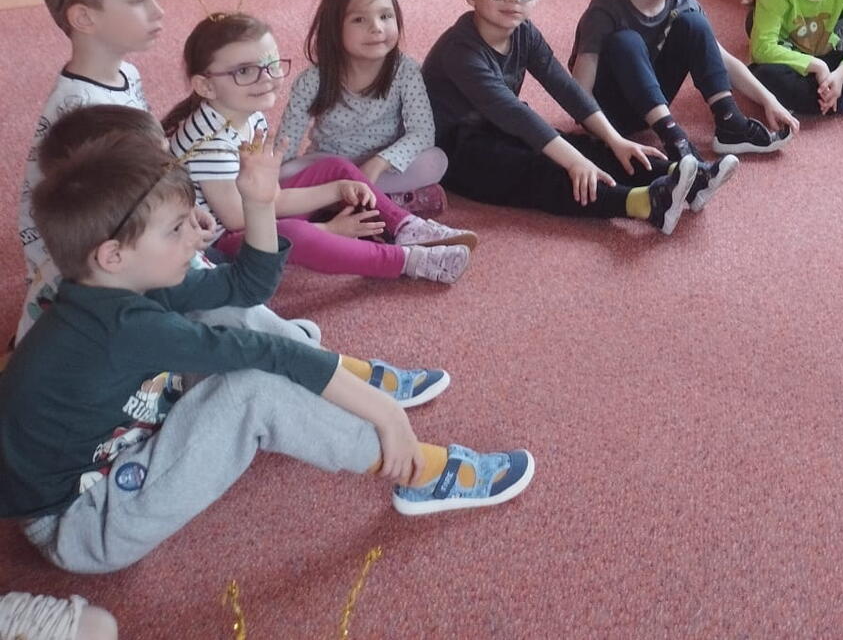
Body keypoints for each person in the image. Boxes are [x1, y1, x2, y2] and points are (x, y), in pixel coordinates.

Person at [0, 118, 533, 574]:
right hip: (85, 522)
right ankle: (422, 470)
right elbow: (269, 355)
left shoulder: (115, 285)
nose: (195, 235)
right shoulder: (120, 328)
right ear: (112, 254)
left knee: (226, 313)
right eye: (176, 229)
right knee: (253, 393)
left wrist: (259, 204)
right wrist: (386, 416)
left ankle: (350, 380)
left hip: (113, 451)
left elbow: (245, 287)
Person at [16, 0, 320, 348]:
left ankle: (276, 337)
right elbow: (108, 215)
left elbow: (147, 172)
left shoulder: (125, 73)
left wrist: (186, 210)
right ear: (84, 18)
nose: (159, 11)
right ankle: (288, 346)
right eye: (139, 0)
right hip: (99, 262)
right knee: (220, 300)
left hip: (139, 225)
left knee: (217, 287)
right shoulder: (81, 109)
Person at [163, 14, 477, 285]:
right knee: (294, 235)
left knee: (335, 167)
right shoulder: (212, 147)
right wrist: (325, 226)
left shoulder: (248, 115)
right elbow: (238, 219)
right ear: (205, 86)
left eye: (271, 64)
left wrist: (337, 186)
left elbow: (268, 194)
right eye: (244, 71)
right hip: (220, 245)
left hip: (254, 209)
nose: (266, 78)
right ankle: (406, 260)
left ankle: (406, 225)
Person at [421, 0, 701, 231]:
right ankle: (641, 203)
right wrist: (574, 162)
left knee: (576, 146)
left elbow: (564, 87)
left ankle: (684, 175)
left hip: (495, 126)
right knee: (542, 170)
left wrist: (614, 139)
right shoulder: (460, 52)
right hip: (454, 150)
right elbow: (513, 113)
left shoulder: (524, 31)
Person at [571, 0, 797, 200]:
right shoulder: (606, 8)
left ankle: (729, 123)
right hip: (609, 113)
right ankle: (675, 140)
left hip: (650, 103)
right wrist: (606, 136)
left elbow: (720, 58)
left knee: (695, 24)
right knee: (626, 41)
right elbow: (578, 91)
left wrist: (769, 100)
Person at [276, 0, 449, 217]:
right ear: (334, 29)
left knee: (435, 160)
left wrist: (379, 162)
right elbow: (286, 143)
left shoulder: (405, 70)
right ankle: (393, 201)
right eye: (359, 20)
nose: (376, 28)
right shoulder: (312, 80)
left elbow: (422, 133)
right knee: (284, 174)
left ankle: (340, 203)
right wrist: (272, 183)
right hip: (331, 166)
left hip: (384, 164)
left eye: (385, 16)